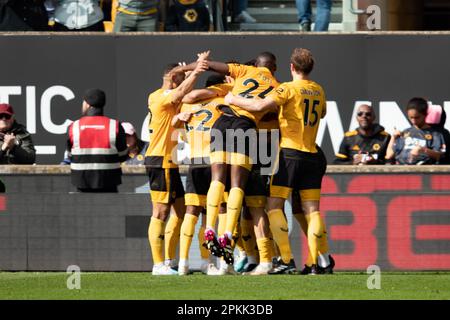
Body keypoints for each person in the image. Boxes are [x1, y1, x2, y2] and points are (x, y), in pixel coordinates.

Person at [226, 48, 333, 274]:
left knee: (273, 206)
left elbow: (258, 106)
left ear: (292, 67)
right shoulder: (319, 90)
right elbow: (321, 114)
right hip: (313, 154)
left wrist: (232, 98)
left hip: (289, 155)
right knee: (312, 211)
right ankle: (318, 263)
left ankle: (285, 260)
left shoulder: (287, 88)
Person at [175, 52, 279, 267]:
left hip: (222, 122)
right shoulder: (278, 87)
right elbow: (271, 114)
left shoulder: (243, 72)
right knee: (237, 186)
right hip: (245, 127)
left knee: (217, 180)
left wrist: (188, 69)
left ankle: (211, 227)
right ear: (274, 68)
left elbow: (209, 66)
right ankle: (228, 234)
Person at [145, 52, 209, 276]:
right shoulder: (163, 97)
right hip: (160, 160)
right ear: (172, 80)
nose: (183, 87)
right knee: (160, 213)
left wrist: (189, 73)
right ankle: (158, 265)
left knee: (180, 211)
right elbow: (181, 92)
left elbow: (183, 93)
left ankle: (170, 261)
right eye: (179, 81)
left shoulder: (156, 95)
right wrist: (197, 70)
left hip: (168, 162)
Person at [172, 73, 231, 275]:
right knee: (218, 211)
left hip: (195, 162)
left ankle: (183, 263)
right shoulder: (222, 102)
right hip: (215, 162)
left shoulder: (187, 106)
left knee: (191, 212)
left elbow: (182, 134)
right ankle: (216, 262)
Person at [66, 89, 127, 192]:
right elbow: (123, 155)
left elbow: (70, 156)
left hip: (81, 182)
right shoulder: (115, 125)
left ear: (87, 104)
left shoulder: (74, 126)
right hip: (109, 181)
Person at [386, 97, 446, 165]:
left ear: (425, 114)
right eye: (411, 117)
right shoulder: (405, 132)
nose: (413, 121)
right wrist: (393, 138)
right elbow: (389, 155)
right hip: (401, 170)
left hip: (423, 171)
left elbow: (440, 156)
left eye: (417, 117)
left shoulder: (435, 134)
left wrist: (423, 150)